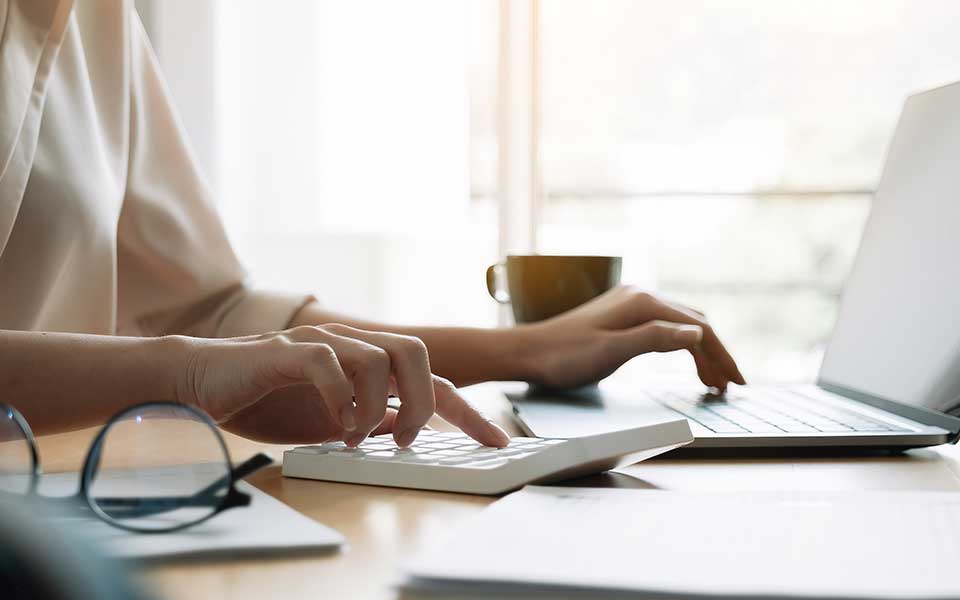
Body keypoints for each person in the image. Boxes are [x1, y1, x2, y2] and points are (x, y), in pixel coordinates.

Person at [0, 0, 744, 449]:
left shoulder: (94, 18)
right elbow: (203, 352)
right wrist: (187, 374)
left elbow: (210, 313)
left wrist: (530, 349)